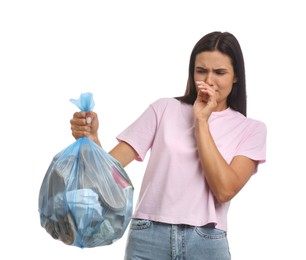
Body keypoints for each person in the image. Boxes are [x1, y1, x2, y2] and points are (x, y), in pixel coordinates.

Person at [70, 31, 267, 260]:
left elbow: (224, 190)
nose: (209, 80)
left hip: (206, 241)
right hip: (148, 237)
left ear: (235, 76)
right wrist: (92, 139)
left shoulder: (251, 129)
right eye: (201, 71)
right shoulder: (164, 109)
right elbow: (107, 171)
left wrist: (201, 120)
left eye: (220, 72)